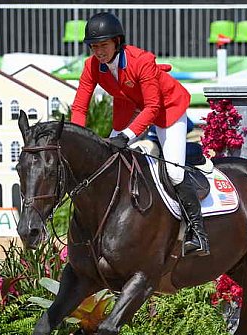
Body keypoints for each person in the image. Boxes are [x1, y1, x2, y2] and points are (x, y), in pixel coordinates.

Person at [71, 12, 209, 257]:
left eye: (103, 45)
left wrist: (127, 135)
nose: (98, 52)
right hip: (130, 110)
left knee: (174, 172)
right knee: (109, 162)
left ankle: (197, 234)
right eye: (94, 47)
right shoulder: (91, 66)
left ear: (117, 42)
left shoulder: (141, 61)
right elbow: (80, 107)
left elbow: (153, 107)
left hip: (166, 108)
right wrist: (76, 138)